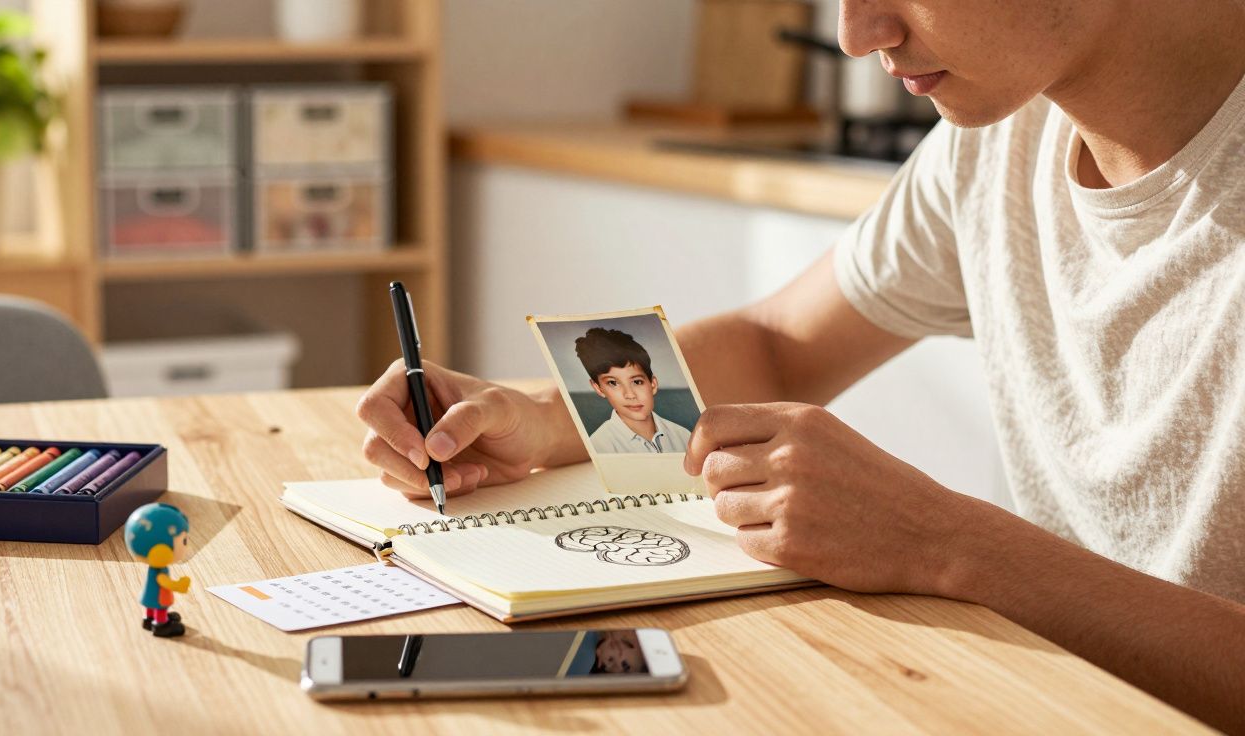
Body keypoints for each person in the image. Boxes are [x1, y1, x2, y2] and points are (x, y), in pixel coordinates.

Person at [356, 0, 1245, 728]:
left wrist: (945, 544)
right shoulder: (998, 143)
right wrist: (546, 419)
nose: (859, 35)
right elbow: (780, 342)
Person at [574, 327, 693, 454]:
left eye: (637, 382)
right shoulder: (599, 446)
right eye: (613, 383)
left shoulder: (683, 436)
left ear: (653, 384)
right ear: (598, 388)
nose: (630, 395)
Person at [125, 503, 192, 638]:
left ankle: (148, 618)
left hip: (149, 594)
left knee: (151, 605)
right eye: (183, 540)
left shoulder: (153, 569)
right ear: (161, 550)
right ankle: (161, 624)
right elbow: (164, 582)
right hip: (158, 596)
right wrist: (179, 585)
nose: (186, 545)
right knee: (161, 607)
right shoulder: (160, 570)